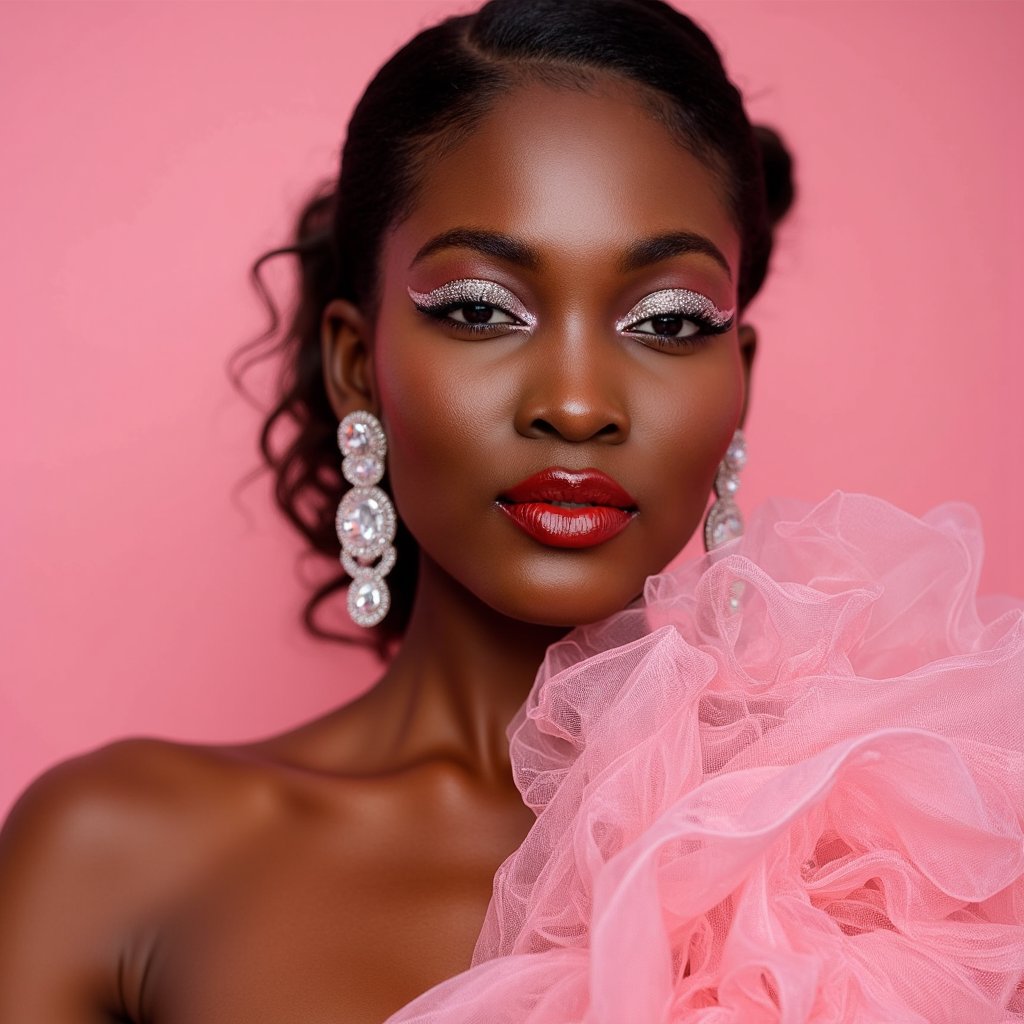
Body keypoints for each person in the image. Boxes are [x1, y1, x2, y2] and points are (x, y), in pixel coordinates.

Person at [1, 0, 1021, 1021]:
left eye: (667, 321)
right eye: (483, 310)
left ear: (737, 381)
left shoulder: (901, 843)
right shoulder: (118, 855)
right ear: (358, 366)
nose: (575, 402)